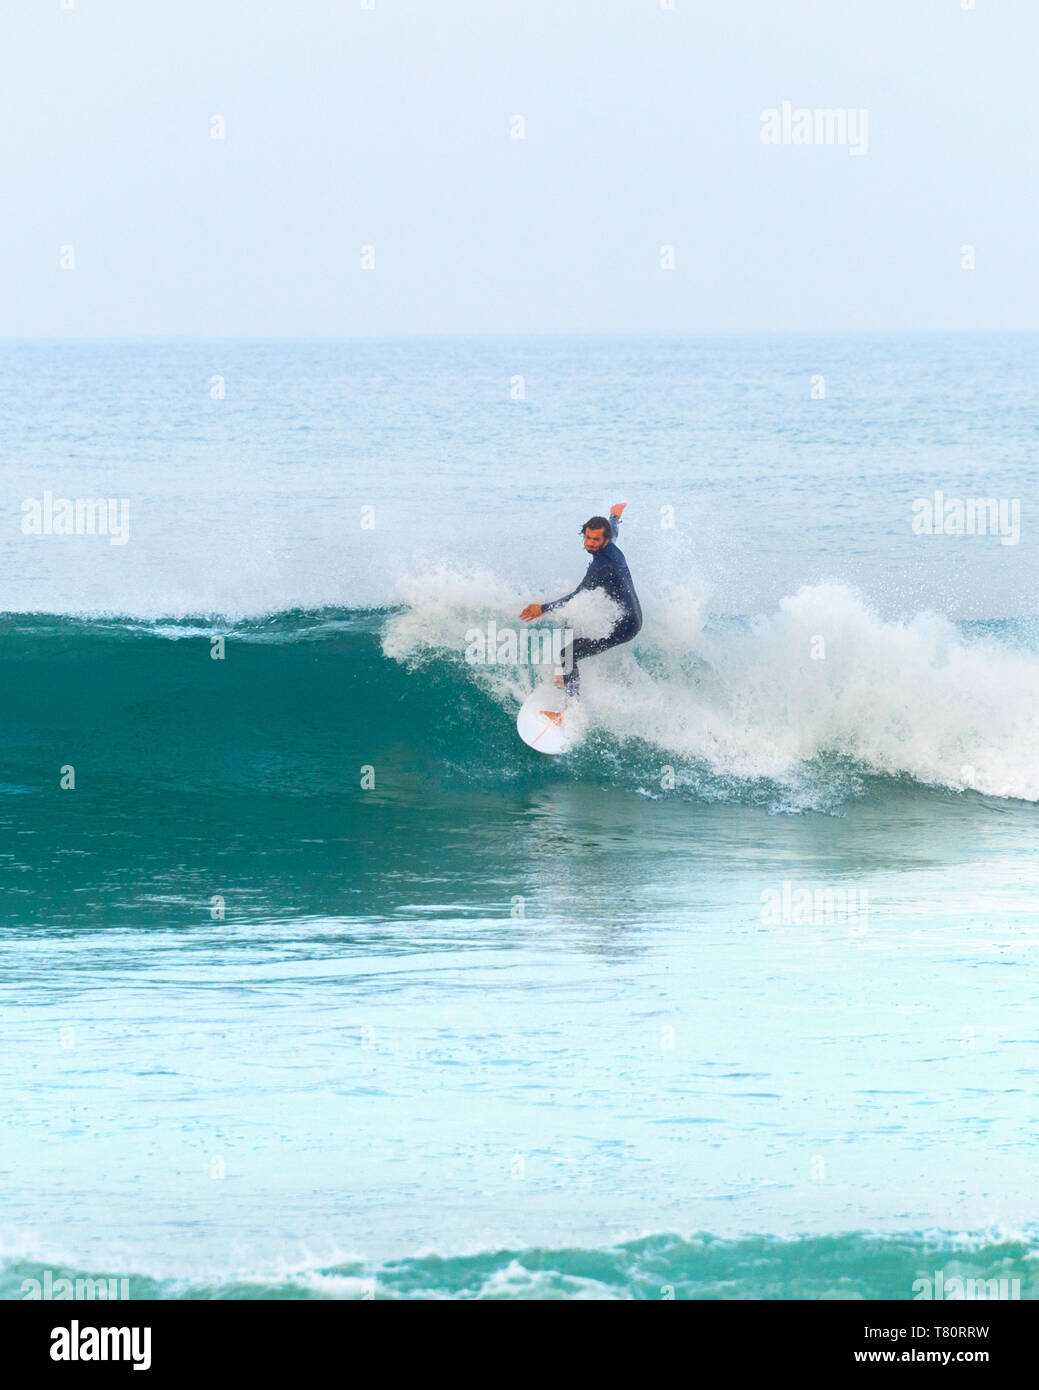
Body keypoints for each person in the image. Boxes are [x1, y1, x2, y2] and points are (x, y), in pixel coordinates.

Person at [520, 503, 642, 697]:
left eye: (595, 539)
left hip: (625, 625)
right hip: (619, 612)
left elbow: (576, 596)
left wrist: (542, 609)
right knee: (571, 622)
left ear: (604, 540)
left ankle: (570, 707)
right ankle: (564, 676)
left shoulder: (603, 566)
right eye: (588, 538)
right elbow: (614, 533)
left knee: (567, 654)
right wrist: (614, 516)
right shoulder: (609, 546)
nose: (590, 543)